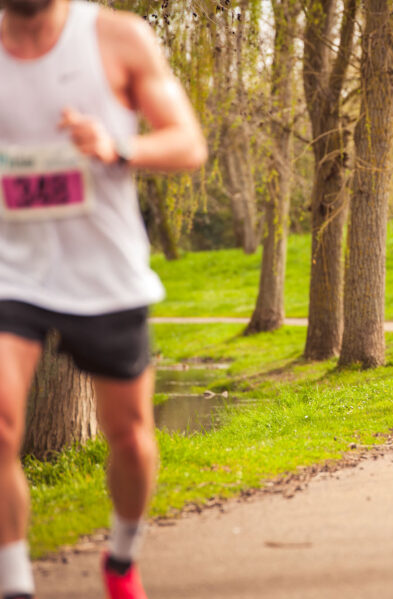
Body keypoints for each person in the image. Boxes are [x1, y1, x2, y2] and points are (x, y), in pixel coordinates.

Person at [0, 1, 207, 598]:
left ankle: (121, 555)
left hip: (103, 273)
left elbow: (188, 144)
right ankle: (16, 583)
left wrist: (116, 147)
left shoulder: (116, 37)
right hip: (12, 271)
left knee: (132, 435)